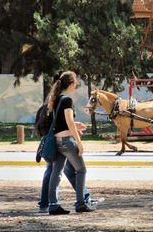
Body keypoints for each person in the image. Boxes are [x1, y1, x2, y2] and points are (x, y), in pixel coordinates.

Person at [47, 71, 94, 215]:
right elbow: (69, 122)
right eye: (76, 82)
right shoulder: (67, 100)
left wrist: (74, 124)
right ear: (72, 84)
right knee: (81, 170)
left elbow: (62, 122)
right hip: (67, 141)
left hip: (57, 141)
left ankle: (53, 205)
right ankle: (81, 204)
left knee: (56, 173)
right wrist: (79, 142)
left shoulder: (56, 98)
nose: (77, 84)